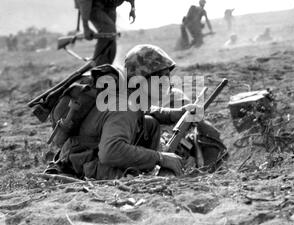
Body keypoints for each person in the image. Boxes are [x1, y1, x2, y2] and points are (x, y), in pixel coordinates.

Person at [47, 45, 226, 180]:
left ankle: (149, 166)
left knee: (150, 123)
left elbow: (148, 111)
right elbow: (109, 153)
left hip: (87, 155)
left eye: (167, 75)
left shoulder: (130, 95)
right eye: (161, 76)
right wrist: (161, 158)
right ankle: (149, 171)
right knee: (164, 175)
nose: (168, 82)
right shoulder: (124, 106)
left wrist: (177, 113)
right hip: (84, 165)